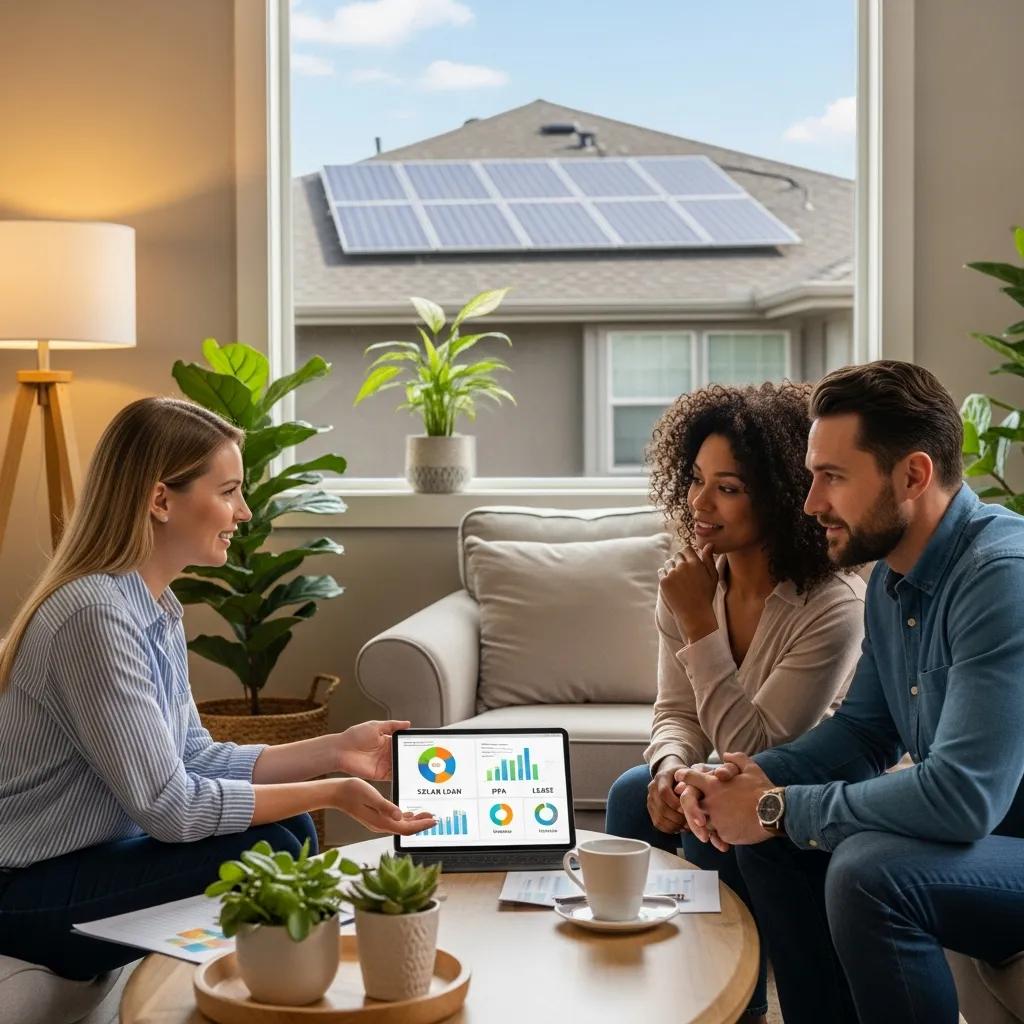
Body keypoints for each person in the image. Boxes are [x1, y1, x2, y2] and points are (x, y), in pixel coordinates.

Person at [0, 397, 435, 980]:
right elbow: (170, 808)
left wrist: (335, 752)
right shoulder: (93, 616)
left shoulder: (153, 606)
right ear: (160, 500)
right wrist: (331, 791)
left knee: (290, 832)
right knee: (277, 844)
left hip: (92, 860)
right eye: (228, 491)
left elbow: (195, 757)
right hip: (29, 893)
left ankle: (276, 987)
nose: (244, 512)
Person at [677, 360, 1024, 1024]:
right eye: (812, 476)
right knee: (724, 816)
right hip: (990, 846)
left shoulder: (1000, 579)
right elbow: (864, 733)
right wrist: (734, 781)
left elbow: (963, 796)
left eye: (832, 477)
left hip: (1005, 846)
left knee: (873, 870)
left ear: (913, 476)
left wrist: (777, 806)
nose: (810, 503)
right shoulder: (895, 580)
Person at [605, 381, 866, 1023]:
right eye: (695, 480)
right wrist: (669, 771)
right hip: (725, 777)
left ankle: (732, 1005)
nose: (699, 502)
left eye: (728, 487)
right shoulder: (693, 584)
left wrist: (699, 626)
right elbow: (676, 713)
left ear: (778, 497)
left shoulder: (832, 607)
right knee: (632, 792)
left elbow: (759, 750)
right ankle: (640, 987)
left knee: (716, 818)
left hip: (803, 792)